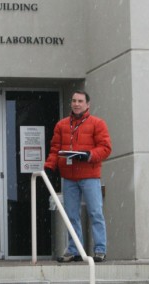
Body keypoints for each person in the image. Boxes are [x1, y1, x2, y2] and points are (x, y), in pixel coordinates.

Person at [44, 90, 112, 263]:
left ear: (87, 104)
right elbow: (55, 149)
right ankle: (74, 250)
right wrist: (49, 166)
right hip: (69, 178)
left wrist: (87, 154)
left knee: (95, 212)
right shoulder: (61, 125)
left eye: (80, 101)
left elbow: (105, 148)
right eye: (74, 100)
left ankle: (100, 249)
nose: (76, 104)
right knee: (71, 215)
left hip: (90, 176)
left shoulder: (98, 123)